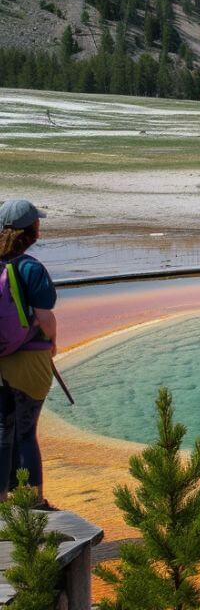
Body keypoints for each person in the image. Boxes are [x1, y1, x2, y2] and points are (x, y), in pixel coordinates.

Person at [0, 199, 57, 507]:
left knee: (2, 430)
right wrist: (53, 343)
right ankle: (33, 504)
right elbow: (45, 318)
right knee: (26, 432)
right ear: (31, 230)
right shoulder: (30, 267)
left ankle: (2, 502)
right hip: (29, 358)